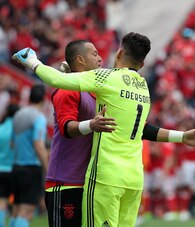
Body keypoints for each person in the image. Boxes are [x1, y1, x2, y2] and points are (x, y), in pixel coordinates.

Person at [12, 32, 195, 227]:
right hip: (133, 179)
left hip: (106, 176)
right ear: (141, 65)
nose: (100, 59)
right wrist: (181, 136)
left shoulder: (106, 78)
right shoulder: (143, 87)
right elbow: (142, 128)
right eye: (95, 54)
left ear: (118, 53)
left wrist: (32, 61)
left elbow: (56, 80)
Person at [44, 40, 117, 227]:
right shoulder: (67, 90)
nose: (100, 58)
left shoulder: (95, 92)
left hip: (89, 184)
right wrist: (92, 125)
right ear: (80, 59)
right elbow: (67, 127)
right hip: (66, 182)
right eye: (94, 54)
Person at [11, 84, 49, 227]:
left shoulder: (18, 114)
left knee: (16, 209)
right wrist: (47, 169)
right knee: (26, 211)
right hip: (30, 168)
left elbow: (12, 143)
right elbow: (39, 146)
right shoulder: (39, 117)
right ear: (44, 99)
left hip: (16, 166)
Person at [0, 103, 19, 227]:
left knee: (1, 202)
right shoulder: (19, 129)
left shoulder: (1, 128)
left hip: (1, 170)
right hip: (15, 170)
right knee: (17, 204)